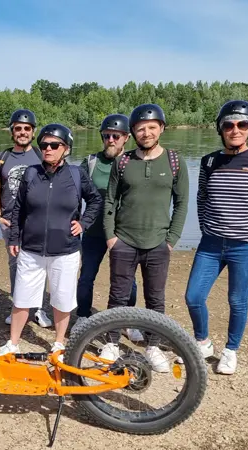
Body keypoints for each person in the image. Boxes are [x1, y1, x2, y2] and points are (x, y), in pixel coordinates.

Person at [182, 100, 248, 375]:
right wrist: (206, 227)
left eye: (241, 125)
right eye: (229, 125)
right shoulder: (209, 161)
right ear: (221, 129)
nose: (235, 130)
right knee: (193, 296)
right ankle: (203, 342)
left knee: (237, 300)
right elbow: (202, 196)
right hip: (212, 244)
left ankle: (230, 350)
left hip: (247, 245)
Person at [0, 124, 102, 356]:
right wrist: (14, 237)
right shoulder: (31, 173)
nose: (48, 149)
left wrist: (84, 223)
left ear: (66, 148)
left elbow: (95, 200)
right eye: (44, 144)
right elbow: (18, 209)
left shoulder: (77, 175)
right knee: (21, 299)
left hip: (65, 251)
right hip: (31, 249)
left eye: (54, 145)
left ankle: (58, 343)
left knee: (62, 299)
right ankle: (13, 343)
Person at [102, 103, 190, 372]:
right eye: (141, 129)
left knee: (156, 299)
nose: (146, 133)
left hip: (158, 243)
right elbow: (110, 200)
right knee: (117, 296)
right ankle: (113, 342)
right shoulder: (123, 161)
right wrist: (110, 237)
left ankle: (152, 346)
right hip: (124, 240)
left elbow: (182, 202)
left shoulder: (175, 161)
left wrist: (172, 238)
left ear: (161, 128)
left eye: (152, 127)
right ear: (133, 132)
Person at [0, 109, 53, 329]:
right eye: (18, 128)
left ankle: (38, 309)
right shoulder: (3, 158)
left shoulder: (40, 153)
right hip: (10, 221)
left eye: (27, 128)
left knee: (40, 263)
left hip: (36, 220)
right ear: (12, 131)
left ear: (33, 131)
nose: (22, 132)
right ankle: (19, 306)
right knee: (15, 263)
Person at [75, 114, 138, 329]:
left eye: (116, 136)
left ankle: (127, 322)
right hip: (93, 232)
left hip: (124, 232)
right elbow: (75, 192)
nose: (111, 140)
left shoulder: (134, 161)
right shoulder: (91, 162)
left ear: (126, 138)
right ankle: (82, 316)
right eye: (107, 136)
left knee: (127, 281)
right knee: (86, 277)